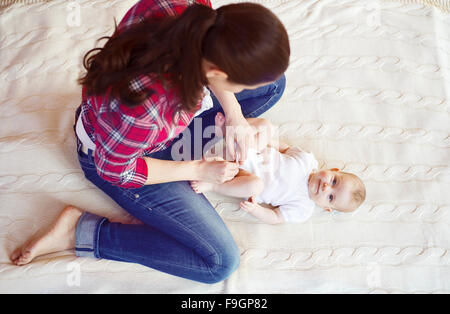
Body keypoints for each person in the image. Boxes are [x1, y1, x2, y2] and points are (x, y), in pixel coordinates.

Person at [10, 0, 290, 284]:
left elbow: (213, 57)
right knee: (219, 263)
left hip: (147, 128)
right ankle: (79, 231)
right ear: (216, 73)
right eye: (239, 85)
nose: (241, 91)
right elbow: (116, 170)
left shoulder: (191, 9)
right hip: (118, 160)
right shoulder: (149, 110)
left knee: (273, 83)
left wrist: (235, 116)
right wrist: (198, 170)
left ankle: (194, 143)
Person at [191, 113, 366, 224]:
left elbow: (276, 217)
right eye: (334, 181)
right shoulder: (307, 160)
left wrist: (257, 210)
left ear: (326, 207)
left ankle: (213, 184)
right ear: (333, 170)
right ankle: (228, 130)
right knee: (267, 126)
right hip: (248, 151)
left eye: (330, 197)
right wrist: (264, 139)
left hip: (240, 175)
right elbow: (283, 148)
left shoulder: (303, 208)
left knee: (256, 186)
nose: (326, 187)